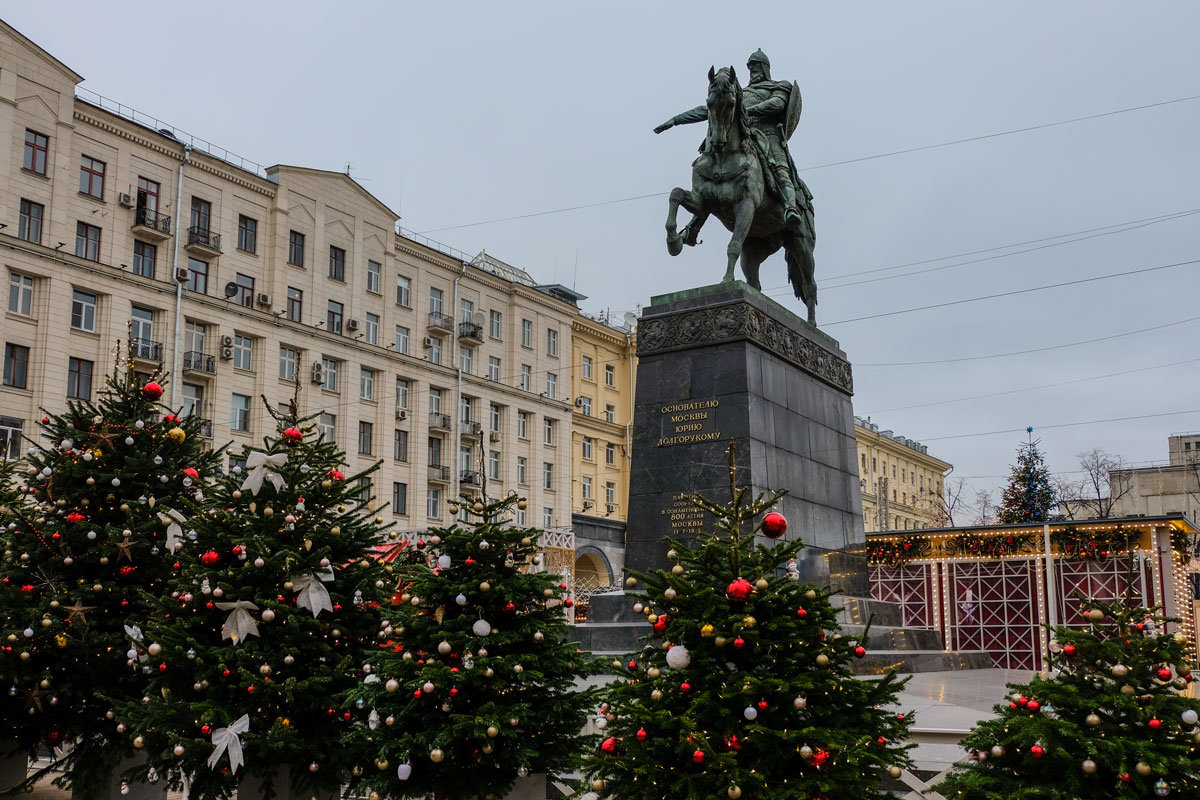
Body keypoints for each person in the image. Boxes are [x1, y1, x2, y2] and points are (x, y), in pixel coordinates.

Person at [654, 49, 812, 229]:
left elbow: (777, 103)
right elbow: (707, 110)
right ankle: (693, 227)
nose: (753, 71)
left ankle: (790, 207)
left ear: (765, 68)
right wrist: (675, 120)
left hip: (767, 134)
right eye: (750, 67)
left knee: (779, 167)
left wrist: (747, 111)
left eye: (756, 66)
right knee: (710, 167)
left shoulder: (778, 86)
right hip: (742, 133)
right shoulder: (740, 93)